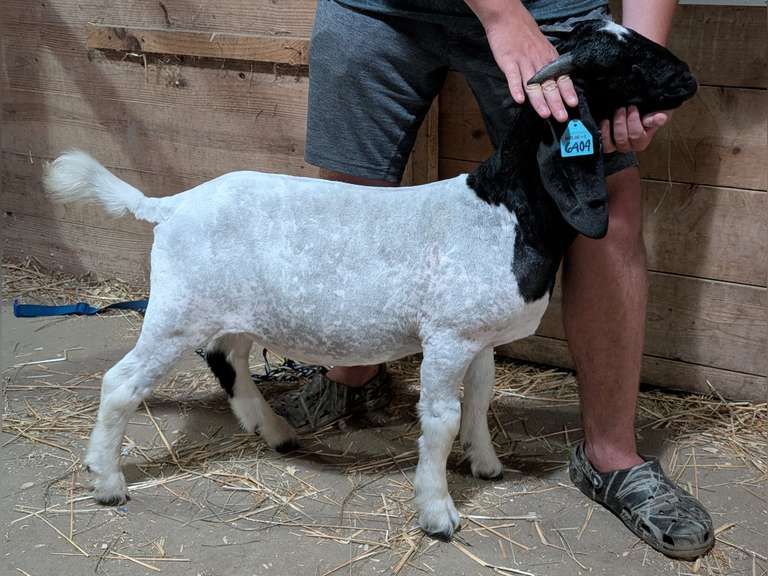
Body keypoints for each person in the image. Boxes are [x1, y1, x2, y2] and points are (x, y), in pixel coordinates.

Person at [272, 0, 714, 559]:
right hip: (380, 6)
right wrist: (501, 14)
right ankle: (354, 375)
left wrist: (638, 72)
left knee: (611, 208)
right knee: (351, 201)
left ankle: (612, 454)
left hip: (551, 7)